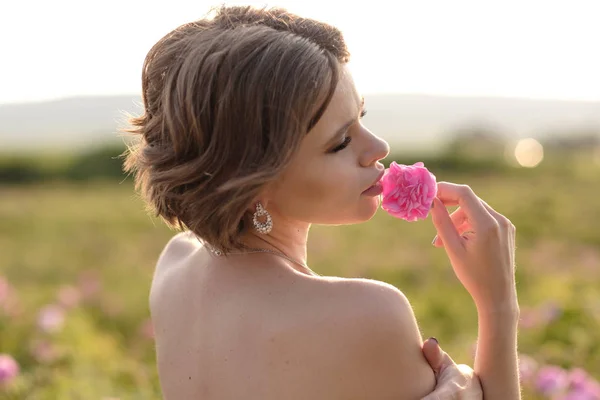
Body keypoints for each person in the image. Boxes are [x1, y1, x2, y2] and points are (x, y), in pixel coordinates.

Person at [122, 5, 520, 399]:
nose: (378, 147)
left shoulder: (175, 265)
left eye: (362, 116)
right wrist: (498, 305)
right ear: (253, 177)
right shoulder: (367, 314)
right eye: (341, 142)